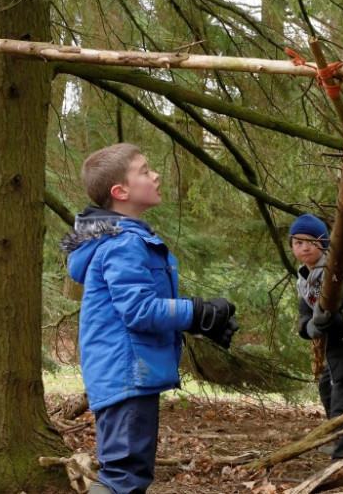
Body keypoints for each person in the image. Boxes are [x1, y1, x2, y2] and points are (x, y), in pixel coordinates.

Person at [60, 143, 238, 494]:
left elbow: (130, 309)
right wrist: (198, 312)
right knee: (124, 478)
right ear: (120, 191)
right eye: (144, 170)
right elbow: (139, 310)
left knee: (128, 474)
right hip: (126, 375)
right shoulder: (122, 243)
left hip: (128, 374)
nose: (155, 175)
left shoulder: (123, 238)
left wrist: (202, 321)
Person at [289, 213, 343, 461]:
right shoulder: (305, 280)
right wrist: (312, 328)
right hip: (336, 351)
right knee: (326, 390)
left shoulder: (338, 275)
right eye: (298, 242)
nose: (305, 247)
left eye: (311, 241)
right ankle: (338, 437)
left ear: (324, 243)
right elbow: (305, 316)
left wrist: (333, 320)